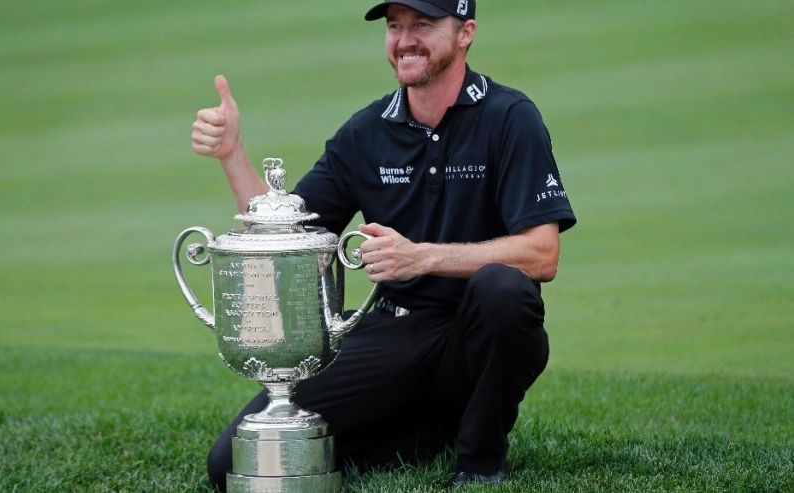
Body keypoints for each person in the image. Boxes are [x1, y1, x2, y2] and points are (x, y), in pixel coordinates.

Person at [190, 0, 576, 489]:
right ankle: (421, 430)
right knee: (231, 466)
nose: (405, 39)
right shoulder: (366, 132)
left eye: (424, 25)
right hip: (389, 335)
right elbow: (284, 239)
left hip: (473, 338)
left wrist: (421, 256)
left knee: (504, 290)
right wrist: (232, 154)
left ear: (465, 33)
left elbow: (542, 254)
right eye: (396, 26)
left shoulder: (509, 117)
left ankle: (480, 462)